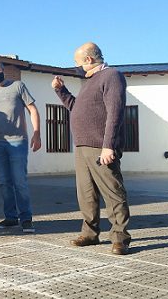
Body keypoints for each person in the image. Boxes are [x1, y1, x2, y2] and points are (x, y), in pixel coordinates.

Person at [52, 42, 132, 255]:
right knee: (86, 194)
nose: (76, 66)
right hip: (82, 147)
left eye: (77, 62)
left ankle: (120, 238)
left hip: (100, 147)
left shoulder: (112, 76)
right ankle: (90, 233)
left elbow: (115, 113)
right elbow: (75, 108)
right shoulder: (89, 81)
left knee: (113, 192)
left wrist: (108, 146)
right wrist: (61, 91)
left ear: (88, 60)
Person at [0, 61, 41, 232]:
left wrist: (37, 133)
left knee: (19, 181)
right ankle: (10, 217)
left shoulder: (18, 86)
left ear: (4, 70)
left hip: (17, 142)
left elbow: (33, 109)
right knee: (3, 182)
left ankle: (26, 218)